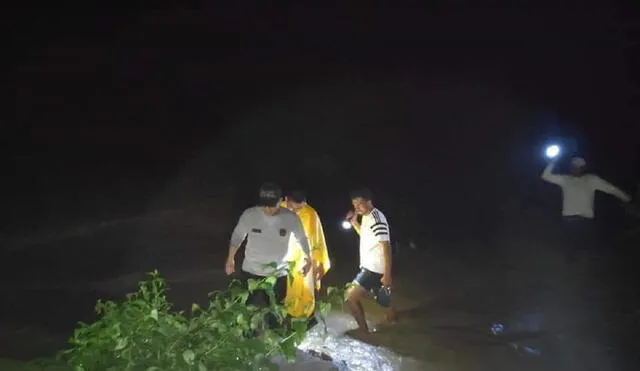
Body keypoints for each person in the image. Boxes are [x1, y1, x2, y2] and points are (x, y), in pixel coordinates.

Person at [225, 182, 312, 328]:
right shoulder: (250, 215)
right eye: (265, 205)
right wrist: (230, 259)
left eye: (272, 205)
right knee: (245, 311)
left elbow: (302, 238)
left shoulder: (290, 218)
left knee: (275, 312)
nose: (269, 209)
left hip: (278, 273)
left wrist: (309, 259)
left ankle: (275, 341)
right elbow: (237, 237)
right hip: (251, 271)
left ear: (281, 200)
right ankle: (246, 339)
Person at [541, 156, 631, 261]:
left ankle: (591, 267)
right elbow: (545, 176)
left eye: (579, 167)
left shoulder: (591, 179)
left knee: (589, 247)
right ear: (571, 167)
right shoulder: (565, 179)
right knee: (570, 248)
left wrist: (625, 197)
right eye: (574, 166)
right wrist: (552, 162)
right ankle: (570, 266)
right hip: (569, 218)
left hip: (585, 219)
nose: (576, 169)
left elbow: (610, 188)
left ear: (584, 168)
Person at [344, 188, 397, 336]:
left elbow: (386, 246)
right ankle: (395, 325)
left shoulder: (376, 218)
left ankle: (363, 331)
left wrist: (387, 275)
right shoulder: (367, 216)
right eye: (354, 205)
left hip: (374, 269)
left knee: (349, 297)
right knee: (383, 300)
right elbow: (367, 237)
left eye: (360, 204)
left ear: (369, 202)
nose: (357, 208)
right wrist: (354, 223)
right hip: (372, 267)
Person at [280, 190, 331, 325]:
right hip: (282, 258)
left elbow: (317, 240)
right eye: (293, 208)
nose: (297, 212)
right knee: (283, 290)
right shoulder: (279, 209)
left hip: (303, 259)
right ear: (287, 200)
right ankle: (284, 317)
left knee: (305, 290)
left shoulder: (311, 214)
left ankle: (307, 319)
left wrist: (318, 263)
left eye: (300, 208)